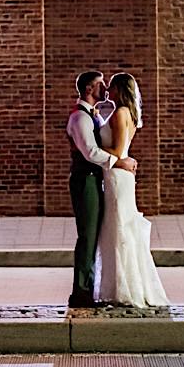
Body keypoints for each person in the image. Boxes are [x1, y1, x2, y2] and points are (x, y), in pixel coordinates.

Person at [95, 72, 169, 308]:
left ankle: (123, 288)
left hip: (117, 175)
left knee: (119, 230)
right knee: (121, 228)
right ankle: (126, 285)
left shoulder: (119, 113)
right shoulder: (128, 114)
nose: (108, 89)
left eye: (112, 86)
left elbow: (117, 152)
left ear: (119, 89)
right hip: (121, 175)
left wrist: (93, 143)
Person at [67, 70, 137, 308]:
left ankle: (90, 288)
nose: (105, 88)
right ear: (88, 88)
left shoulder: (92, 115)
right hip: (85, 179)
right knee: (87, 236)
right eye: (100, 84)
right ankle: (81, 293)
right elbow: (91, 152)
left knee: (97, 235)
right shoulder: (80, 118)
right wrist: (121, 161)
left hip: (97, 179)